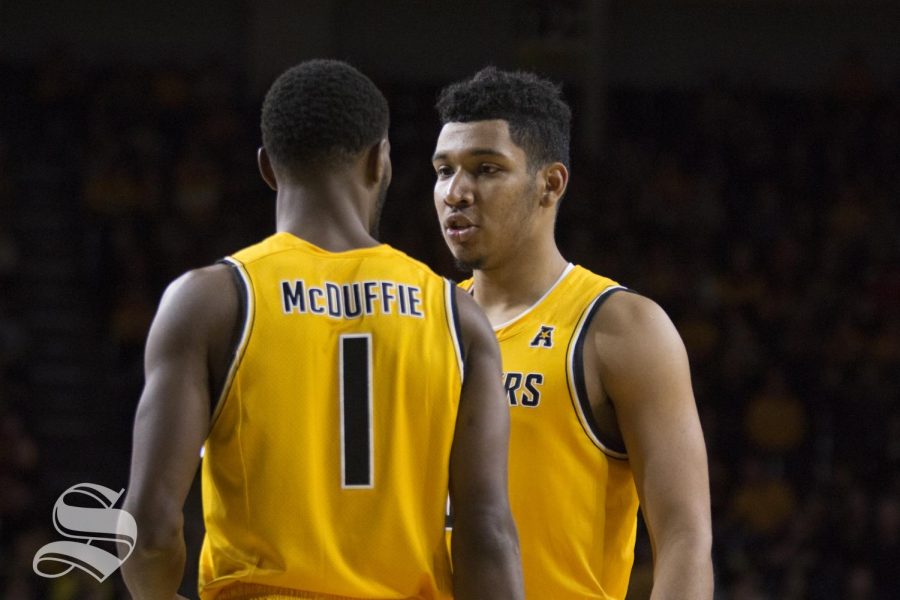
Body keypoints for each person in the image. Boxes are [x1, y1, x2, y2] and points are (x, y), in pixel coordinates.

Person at [120, 59, 523, 600]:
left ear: (267, 167)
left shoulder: (211, 300)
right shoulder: (458, 316)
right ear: (380, 161)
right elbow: (488, 533)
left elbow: (148, 530)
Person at [431, 67, 713, 599]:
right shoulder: (423, 320)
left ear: (550, 183)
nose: (457, 192)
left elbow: (685, 537)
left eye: (486, 169)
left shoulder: (620, 327)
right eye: (444, 171)